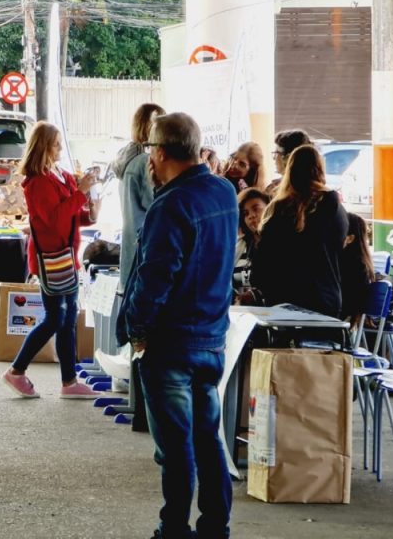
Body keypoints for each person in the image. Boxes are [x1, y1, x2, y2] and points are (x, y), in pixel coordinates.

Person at [117, 113, 237, 539]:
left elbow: (155, 277)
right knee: (208, 440)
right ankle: (215, 526)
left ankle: (173, 529)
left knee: (176, 448)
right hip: (211, 338)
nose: (149, 159)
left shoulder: (171, 205)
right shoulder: (224, 192)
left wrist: (137, 331)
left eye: (150, 150)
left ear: (161, 152)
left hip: (171, 342)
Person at [2, 122, 100, 399]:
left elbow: (72, 216)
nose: (60, 149)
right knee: (57, 318)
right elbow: (56, 222)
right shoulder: (37, 183)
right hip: (50, 259)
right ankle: (18, 371)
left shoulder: (62, 176)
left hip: (66, 258)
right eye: (56, 144)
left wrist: (90, 210)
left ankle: (68, 382)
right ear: (43, 146)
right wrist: (80, 193)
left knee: (66, 320)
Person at [251, 144, 348, 317]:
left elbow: (264, 258)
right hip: (328, 299)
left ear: (290, 170)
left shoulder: (281, 209)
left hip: (287, 301)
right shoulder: (337, 210)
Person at [113, 102, 165, 293]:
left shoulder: (128, 158)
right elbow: (157, 206)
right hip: (144, 258)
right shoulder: (145, 163)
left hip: (131, 256)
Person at [233, 188, 270, 306]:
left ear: (269, 208)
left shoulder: (282, 246)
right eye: (246, 213)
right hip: (240, 314)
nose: (251, 216)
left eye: (256, 209)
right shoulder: (239, 246)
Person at [340, 212, 375, 320]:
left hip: (340, 319)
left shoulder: (346, 264)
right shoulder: (362, 262)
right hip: (353, 321)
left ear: (349, 238)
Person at [266, 128, 312, 195]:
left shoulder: (275, 191)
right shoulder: (319, 191)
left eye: (276, 153)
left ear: (288, 157)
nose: (274, 158)